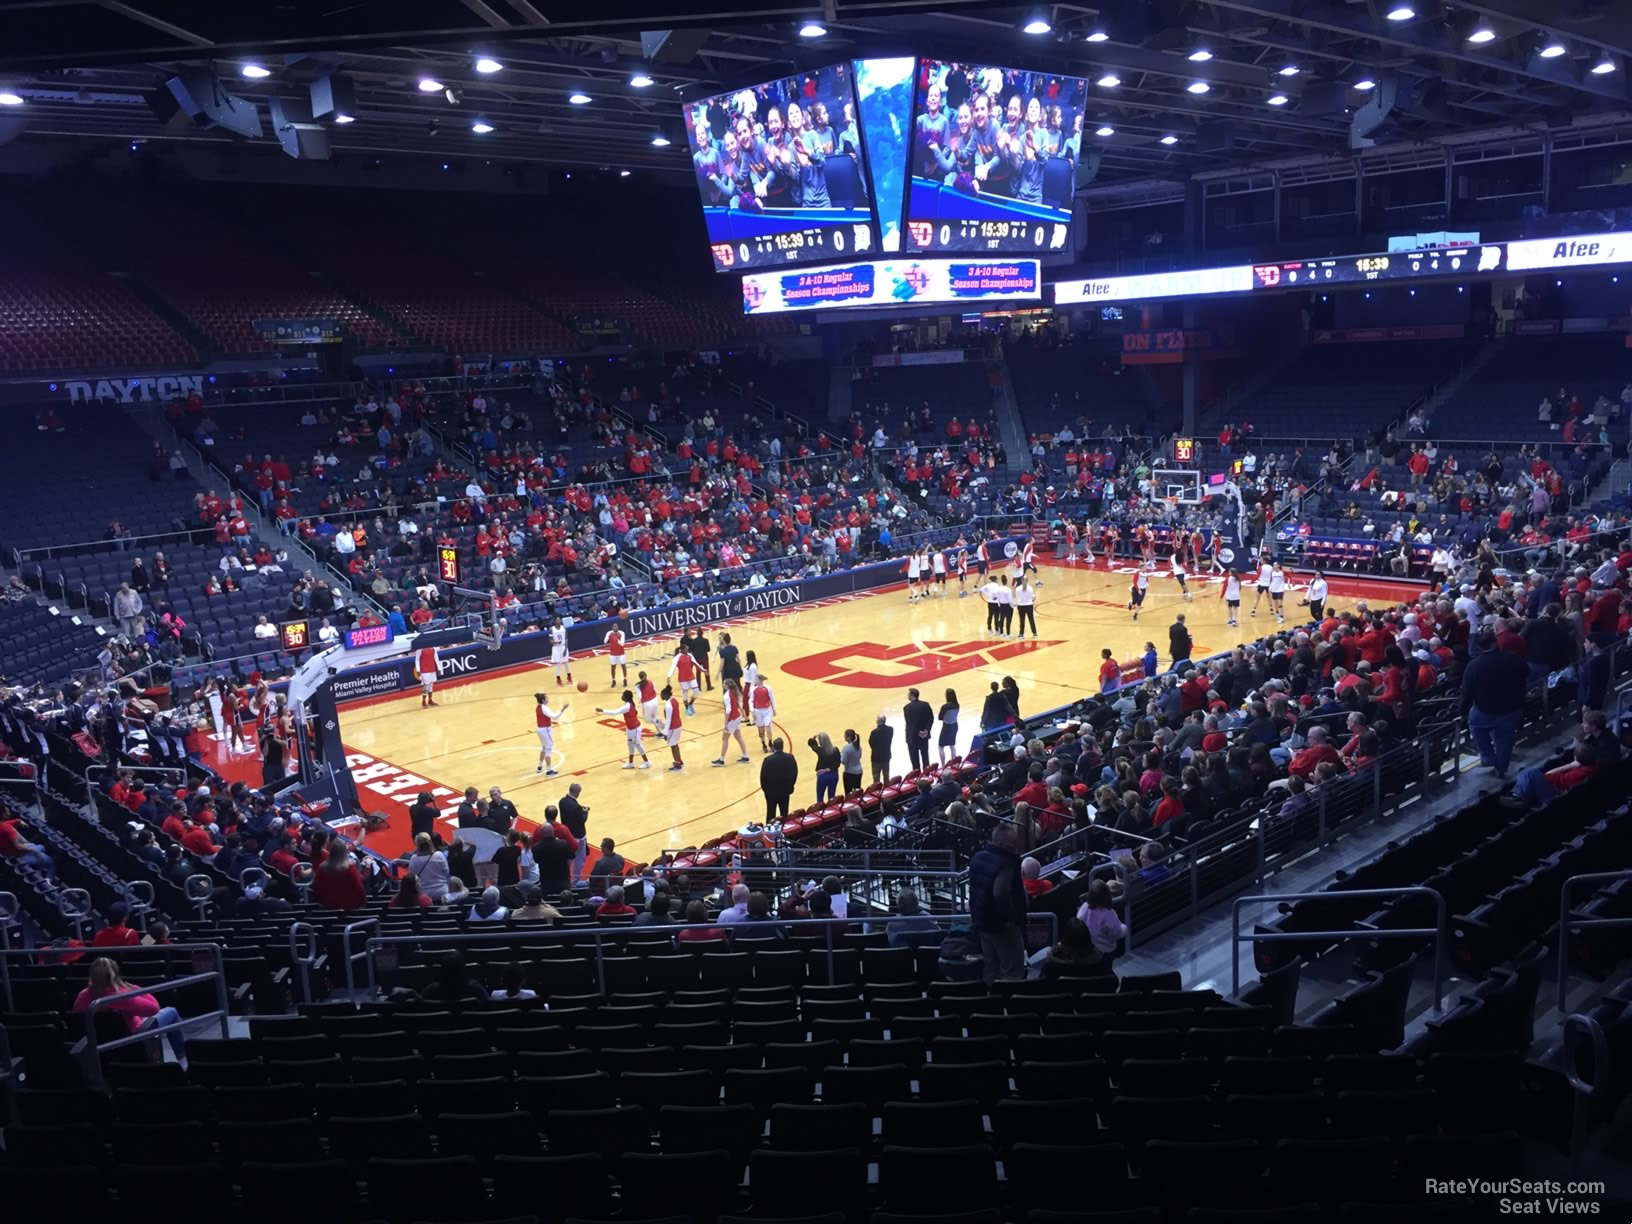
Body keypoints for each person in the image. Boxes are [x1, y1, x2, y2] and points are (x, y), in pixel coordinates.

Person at [74, 957, 188, 1064]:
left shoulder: (83, 995)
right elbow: (154, 1008)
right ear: (115, 975)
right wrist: (134, 989)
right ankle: (183, 1061)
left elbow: (78, 1015)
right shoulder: (119, 996)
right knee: (171, 1012)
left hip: (100, 1043)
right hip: (135, 1036)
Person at [1459, 630, 1530, 777]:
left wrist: (1462, 711)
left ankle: (1488, 758)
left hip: (1485, 709)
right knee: (1505, 739)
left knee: (1477, 727)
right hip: (1513, 706)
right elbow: (1526, 673)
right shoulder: (1512, 657)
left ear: (1480, 647)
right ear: (1495, 643)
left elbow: (1467, 692)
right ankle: (1501, 769)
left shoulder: (1474, 665)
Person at [968, 821, 1027, 983]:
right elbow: (1000, 893)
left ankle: (991, 1004)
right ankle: (1010, 1003)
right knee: (1012, 971)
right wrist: (1012, 918)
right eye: (1013, 843)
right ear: (1001, 844)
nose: (1016, 846)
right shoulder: (1005, 864)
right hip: (1002, 927)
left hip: (982, 923)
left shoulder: (978, 857)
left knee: (991, 966)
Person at [598, 690, 651, 769]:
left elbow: (615, 712)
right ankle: (630, 763)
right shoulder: (628, 704)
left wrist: (603, 711)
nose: (622, 696)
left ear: (626, 697)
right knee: (630, 744)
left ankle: (647, 762)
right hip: (629, 728)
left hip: (635, 728)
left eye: (623, 695)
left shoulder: (627, 706)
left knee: (638, 745)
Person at [1075, 879, 1126, 956]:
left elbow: (1078, 922)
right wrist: (1124, 928)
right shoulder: (1109, 913)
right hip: (1105, 950)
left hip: (1087, 948)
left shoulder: (1084, 906)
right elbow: (1116, 933)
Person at [400, 832, 451, 903]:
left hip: (423, 895)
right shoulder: (439, 855)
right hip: (442, 892)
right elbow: (447, 873)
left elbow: (412, 878)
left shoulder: (413, 859)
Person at [313, 843, 366, 910]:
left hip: (327, 904)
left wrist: (320, 900)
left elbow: (317, 886)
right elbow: (359, 887)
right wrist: (363, 902)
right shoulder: (350, 869)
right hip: (348, 905)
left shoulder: (321, 867)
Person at [421, 951, 487, 1004]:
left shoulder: (432, 991)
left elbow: (419, 1003)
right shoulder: (475, 989)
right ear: (463, 969)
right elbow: (489, 1004)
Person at [712, 678, 752, 766]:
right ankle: (745, 756)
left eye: (724, 684)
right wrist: (744, 715)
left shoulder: (726, 696)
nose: (723, 685)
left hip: (732, 719)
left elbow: (728, 711)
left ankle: (721, 760)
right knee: (739, 737)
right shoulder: (735, 692)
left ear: (727, 686)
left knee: (724, 739)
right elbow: (739, 705)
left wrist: (726, 723)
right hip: (737, 718)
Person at [760, 737, 799, 824]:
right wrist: (791, 785)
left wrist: (765, 789)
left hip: (771, 792)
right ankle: (786, 831)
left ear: (773, 747)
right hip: (785, 791)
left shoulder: (768, 760)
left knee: (770, 813)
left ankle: (769, 832)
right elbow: (794, 773)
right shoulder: (790, 757)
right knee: (784, 813)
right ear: (783, 746)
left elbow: (763, 776)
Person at [558, 783, 590, 883]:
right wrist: (585, 812)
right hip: (578, 836)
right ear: (577, 792)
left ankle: (564, 876)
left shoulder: (562, 801)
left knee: (568, 858)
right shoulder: (577, 808)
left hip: (567, 834)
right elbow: (582, 820)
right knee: (579, 859)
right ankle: (575, 880)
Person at [534, 692, 568, 776]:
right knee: (548, 749)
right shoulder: (545, 708)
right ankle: (549, 770)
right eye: (547, 698)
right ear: (543, 700)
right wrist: (562, 709)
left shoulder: (538, 707)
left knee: (544, 748)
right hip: (545, 730)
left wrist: (549, 722)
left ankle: (539, 766)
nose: (548, 699)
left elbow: (543, 717)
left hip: (540, 729)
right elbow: (555, 716)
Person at [903, 688, 935, 773]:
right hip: (924, 736)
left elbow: (909, 723)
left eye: (908, 694)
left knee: (915, 760)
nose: (907, 696)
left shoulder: (906, 708)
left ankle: (917, 779)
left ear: (912, 695)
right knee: (925, 757)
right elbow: (931, 718)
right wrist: (926, 730)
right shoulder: (925, 704)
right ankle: (927, 776)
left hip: (912, 738)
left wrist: (918, 732)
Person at [657, 683, 686, 771]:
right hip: (678, 725)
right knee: (675, 744)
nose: (661, 696)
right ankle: (679, 760)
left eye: (662, 694)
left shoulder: (668, 705)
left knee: (673, 746)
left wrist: (665, 733)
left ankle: (677, 764)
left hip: (673, 727)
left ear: (666, 695)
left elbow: (669, 720)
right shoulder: (674, 700)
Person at [808, 731, 841, 804]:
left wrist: (813, 738)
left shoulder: (820, 750)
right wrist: (828, 769)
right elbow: (838, 763)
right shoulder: (835, 750)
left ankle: (820, 812)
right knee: (832, 797)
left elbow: (811, 743)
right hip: (833, 775)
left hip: (823, 776)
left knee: (820, 798)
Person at [749, 675, 777, 753]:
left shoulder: (768, 688)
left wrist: (774, 709)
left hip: (767, 710)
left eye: (756, 679)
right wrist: (752, 711)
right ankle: (763, 743)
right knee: (760, 729)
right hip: (758, 711)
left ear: (760, 680)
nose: (754, 680)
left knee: (768, 726)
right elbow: (751, 700)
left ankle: (770, 743)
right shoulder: (753, 689)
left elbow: (772, 698)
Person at [868, 715, 895, 784]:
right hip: (886, 755)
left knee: (876, 777)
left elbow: (871, 743)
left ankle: (877, 792)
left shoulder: (874, 732)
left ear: (879, 721)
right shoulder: (890, 729)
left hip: (876, 757)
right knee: (886, 775)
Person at [603, 622, 629, 690]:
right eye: (614, 627)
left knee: (623, 667)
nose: (615, 628)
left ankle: (625, 679)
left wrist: (617, 640)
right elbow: (605, 641)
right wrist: (608, 638)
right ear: (612, 628)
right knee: (613, 668)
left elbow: (622, 644)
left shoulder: (622, 633)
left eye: (616, 626)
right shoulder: (609, 633)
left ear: (618, 627)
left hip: (621, 653)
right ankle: (614, 680)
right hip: (613, 654)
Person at [937, 689, 961, 764]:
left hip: (946, 727)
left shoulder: (945, 707)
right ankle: (954, 763)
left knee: (941, 746)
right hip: (954, 725)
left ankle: (943, 764)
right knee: (952, 745)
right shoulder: (957, 704)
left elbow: (940, 717)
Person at [549, 618, 573, 687]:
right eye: (558, 620)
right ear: (555, 621)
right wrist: (556, 642)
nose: (559, 621)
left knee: (566, 662)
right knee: (558, 664)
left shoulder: (563, 628)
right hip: (556, 648)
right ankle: (558, 679)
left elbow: (566, 639)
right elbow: (550, 641)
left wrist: (565, 649)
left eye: (560, 620)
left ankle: (569, 677)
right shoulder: (551, 629)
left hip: (563, 647)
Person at [415, 640, 438, 708]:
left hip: (432, 669)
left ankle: (430, 700)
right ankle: (423, 701)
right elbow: (417, 660)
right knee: (426, 685)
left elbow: (436, 658)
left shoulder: (433, 649)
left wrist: (439, 668)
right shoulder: (419, 650)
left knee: (431, 685)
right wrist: (418, 670)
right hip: (424, 670)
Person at [840, 729, 864, 793]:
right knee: (857, 792)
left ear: (848, 738)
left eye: (844, 735)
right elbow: (859, 756)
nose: (844, 736)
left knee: (848, 793)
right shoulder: (858, 746)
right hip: (859, 771)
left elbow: (844, 761)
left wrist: (840, 757)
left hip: (849, 773)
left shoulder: (846, 748)